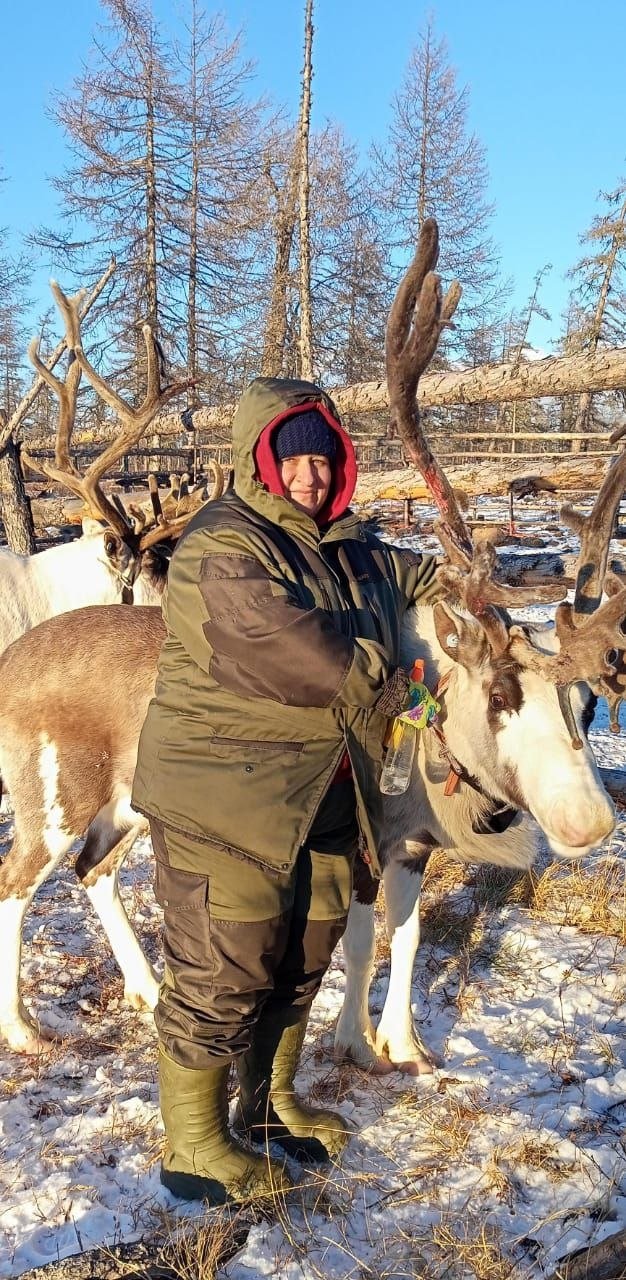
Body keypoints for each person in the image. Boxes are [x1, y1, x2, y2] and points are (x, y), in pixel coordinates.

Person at [132, 376, 440, 1205]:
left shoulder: (351, 545)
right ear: (258, 461)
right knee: (223, 971)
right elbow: (294, 652)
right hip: (224, 798)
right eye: (292, 456)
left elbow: (419, 582)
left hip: (325, 795)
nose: (310, 473)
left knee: (303, 957)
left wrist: (466, 604)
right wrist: (402, 688)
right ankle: (195, 1145)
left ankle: (268, 1107)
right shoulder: (223, 547)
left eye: (325, 456)